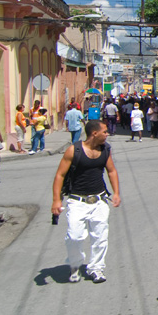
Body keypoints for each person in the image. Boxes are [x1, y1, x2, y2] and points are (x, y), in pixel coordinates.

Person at [51, 120, 121, 284]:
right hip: (77, 201)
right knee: (74, 236)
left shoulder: (105, 149)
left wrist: (116, 192)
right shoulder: (73, 150)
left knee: (100, 236)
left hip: (99, 200)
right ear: (94, 133)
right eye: (104, 131)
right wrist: (56, 200)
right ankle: (75, 265)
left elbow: (111, 171)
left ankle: (96, 268)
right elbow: (60, 175)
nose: (107, 134)